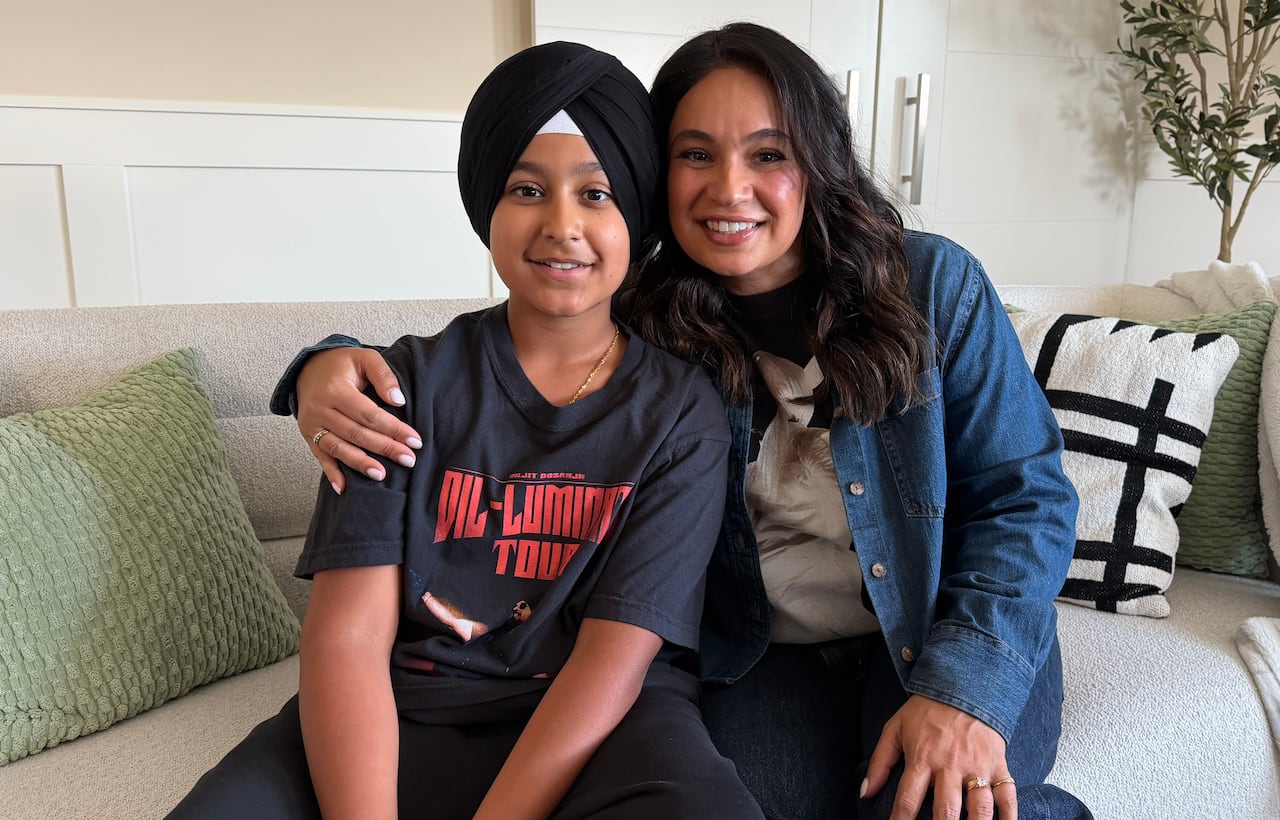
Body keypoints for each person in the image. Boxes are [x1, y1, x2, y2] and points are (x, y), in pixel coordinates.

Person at [279, 23, 1093, 820]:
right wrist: (326, 365)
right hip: (764, 658)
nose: (728, 189)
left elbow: (1027, 499)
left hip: (946, 626)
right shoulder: (649, 323)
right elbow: (504, 358)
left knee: (928, 807)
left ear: (819, 162)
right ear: (651, 174)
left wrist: (964, 692)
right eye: (695, 154)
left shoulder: (932, 287)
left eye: (768, 155)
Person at [168, 40, 762, 820]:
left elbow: (612, 661)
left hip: (601, 735)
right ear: (487, 205)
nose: (562, 225)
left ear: (637, 214)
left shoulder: (683, 413)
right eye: (527, 189)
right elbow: (348, 637)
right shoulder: (396, 388)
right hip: (398, 715)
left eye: (596, 194)